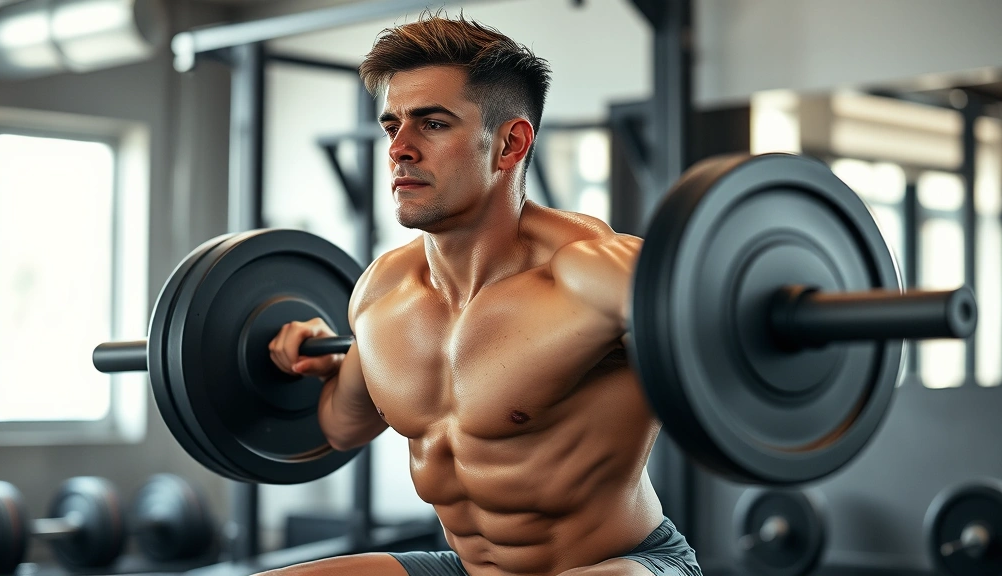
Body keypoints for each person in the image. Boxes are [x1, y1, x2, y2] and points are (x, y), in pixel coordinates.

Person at [267, 13, 701, 576]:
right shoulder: (379, 293)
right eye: (392, 125)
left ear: (509, 144)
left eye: (433, 124)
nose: (399, 148)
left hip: (623, 564)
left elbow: (721, 362)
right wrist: (308, 358)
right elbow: (343, 427)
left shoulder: (598, 275)